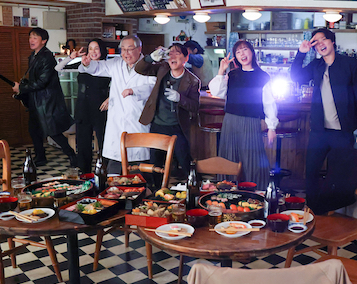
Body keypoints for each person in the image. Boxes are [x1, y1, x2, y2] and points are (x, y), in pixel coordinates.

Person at [290, 28, 357, 212]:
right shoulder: (316, 65)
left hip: (343, 131)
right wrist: (301, 53)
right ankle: (313, 210)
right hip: (319, 131)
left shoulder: (350, 63)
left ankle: (337, 211)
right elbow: (295, 76)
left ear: (332, 41)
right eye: (316, 42)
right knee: (311, 171)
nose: (320, 44)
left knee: (339, 173)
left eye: (323, 39)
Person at [79, 35, 156, 174]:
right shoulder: (116, 63)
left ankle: (139, 182)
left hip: (137, 117)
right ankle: (113, 184)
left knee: (137, 166)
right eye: (123, 49)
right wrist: (87, 64)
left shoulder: (149, 66)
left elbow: (152, 87)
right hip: (117, 119)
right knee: (114, 165)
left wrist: (134, 90)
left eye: (130, 49)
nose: (126, 53)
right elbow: (98, 68)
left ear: (139, 49)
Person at [208, 40, 277, 188]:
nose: (242, 54)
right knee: (229, 157)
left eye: (245, 50)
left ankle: (255, 192)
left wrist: (272, 127)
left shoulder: (263, 76)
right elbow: (216, 92)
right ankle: (227, 190)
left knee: (252, 158)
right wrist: (221, 71)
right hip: (230, 121)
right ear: (235, 57)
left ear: (252, 52)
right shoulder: (232, 75)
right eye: (238, 52)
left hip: (251, 122)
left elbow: (269, 102)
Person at [13, 27, 76, 167]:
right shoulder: (34, 56)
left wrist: (21, 88)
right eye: (30, 37)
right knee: (34, 130)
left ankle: (72, 155)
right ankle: (40, 157)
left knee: (52, 131)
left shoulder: (47, 57)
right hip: (36, 100)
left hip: (47, 101)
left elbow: (43, 82)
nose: (31, 40)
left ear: (44, 40)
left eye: (35, 38)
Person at [136, 43, 200, 179]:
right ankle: (156, 189)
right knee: (155, 163)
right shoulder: (163, 69)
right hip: (158, 123)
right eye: (170, 53)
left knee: (184, 160)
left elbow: (195, 106)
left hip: (178, 126)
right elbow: (139, 69)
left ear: (186, 58)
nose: (173, 56)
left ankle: (191, 186)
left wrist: (180, 98)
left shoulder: (193, 80)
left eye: (177, 53)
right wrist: (151, 57)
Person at [55, 39, 111, 174]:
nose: (93, 51)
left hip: (101, 108)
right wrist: (71, 57)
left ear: (102, 50)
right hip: (83, 108)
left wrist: (111, 98)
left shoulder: (108, 66)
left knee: (104, 142)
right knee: (83, 143)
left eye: (96, 48)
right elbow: (58, 68)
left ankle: (106, 173)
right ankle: (85, 174)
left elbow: (118, 84)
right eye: (90, 48)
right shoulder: (82, 64)